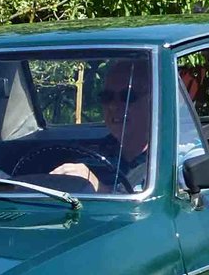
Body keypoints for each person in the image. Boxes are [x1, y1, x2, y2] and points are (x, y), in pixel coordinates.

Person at [49, 58, 152, 193]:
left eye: (127, 96)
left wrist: (98, 187)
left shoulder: (168, 162)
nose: (113, 106)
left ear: (152, 101)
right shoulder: (91, 156)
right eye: (107, 97)